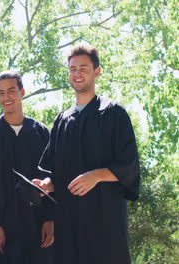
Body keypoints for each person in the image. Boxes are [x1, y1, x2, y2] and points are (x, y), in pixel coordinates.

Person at [34, 44, 140, 264]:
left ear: (97, 71)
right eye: (73, 69)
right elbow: (53, 171)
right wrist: (47, 184)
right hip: (69, 223)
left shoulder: (113, 114)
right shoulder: (62, 121)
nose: (77, 73)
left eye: (83, 68)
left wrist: (97, 175)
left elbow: (129, 166)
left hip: (104, 223)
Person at [0, 70, 54, 264]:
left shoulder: (41, 132)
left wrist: (50, 219)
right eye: (0, 92)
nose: (6, 97)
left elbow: (53, 176)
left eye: (11, 91)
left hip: (36, 223)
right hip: (4, 224)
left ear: (22, 92)